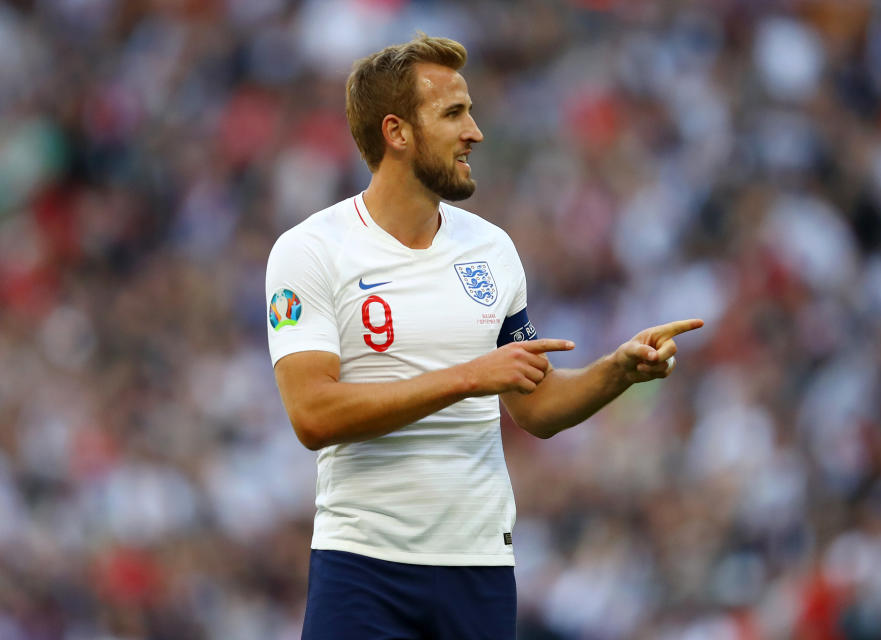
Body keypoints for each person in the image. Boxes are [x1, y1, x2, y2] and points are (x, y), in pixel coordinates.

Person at [265, 34, 703, 640]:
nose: (475, 132)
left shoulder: (491, 250)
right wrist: (471, 376)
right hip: (362, 568)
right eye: (453, 114)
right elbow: (312, 413)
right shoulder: (311, 251)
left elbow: (536, 406)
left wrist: (618, 371)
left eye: (470, 111)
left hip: (478, 567)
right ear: (397, 132)